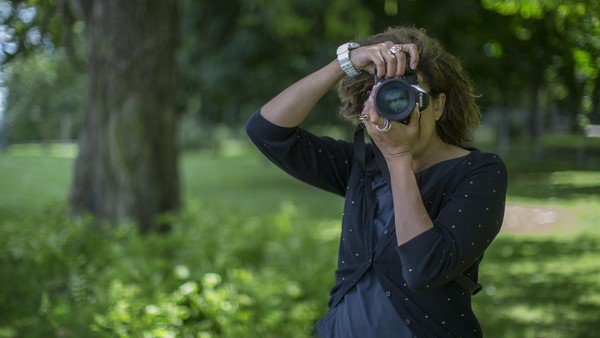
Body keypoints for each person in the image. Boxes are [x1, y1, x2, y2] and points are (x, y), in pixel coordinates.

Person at [245, 26, 507, 338]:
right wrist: (346, 62)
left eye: (409, 94)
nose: (399, 106)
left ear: (438, 106)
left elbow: (425, 267)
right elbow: (266, 131)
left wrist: (398, 156)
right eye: (387, 94)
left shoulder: (479, 172)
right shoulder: (363, 163)